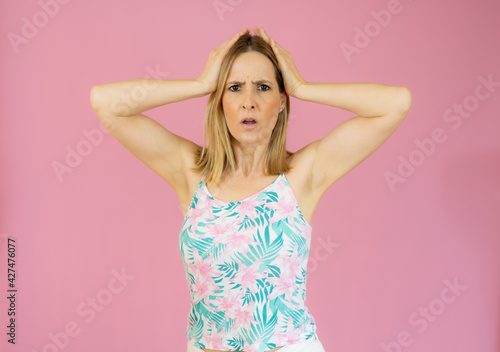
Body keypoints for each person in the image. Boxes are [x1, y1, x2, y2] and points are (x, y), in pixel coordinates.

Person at [90, 26, 412, 352]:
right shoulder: (190, 172)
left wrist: (302, 86)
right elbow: (106, 102)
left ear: (282, 102)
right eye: (234, 88)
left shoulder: (302, 175)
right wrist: (200, 84)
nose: (249, 102)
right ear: (220, 101)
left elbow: (396, 103)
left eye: (263, 87)